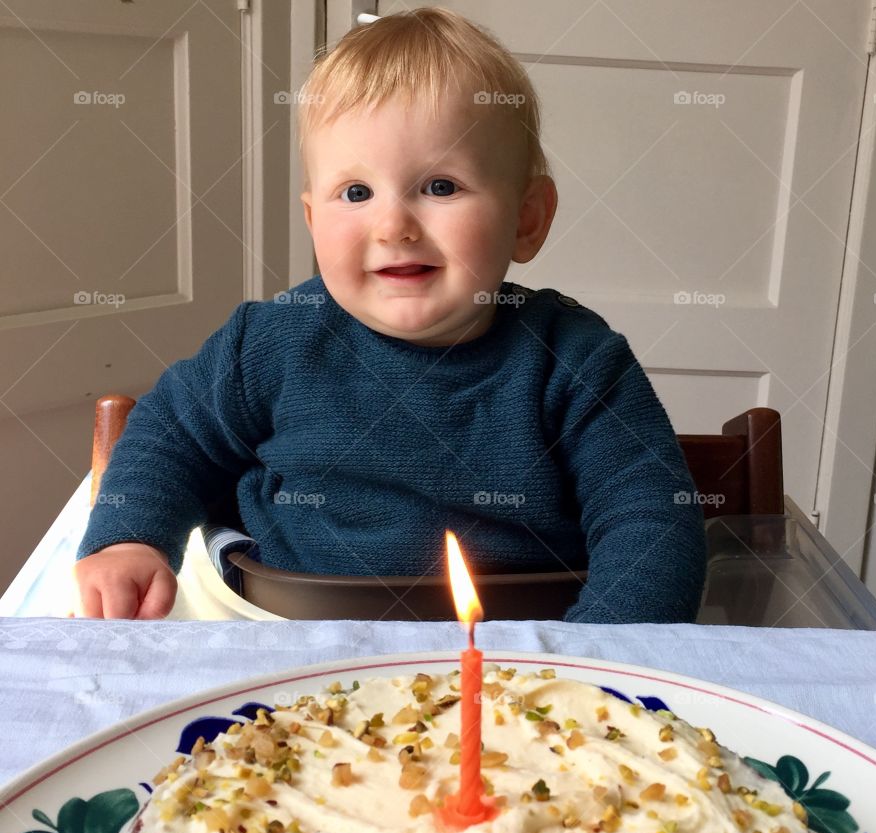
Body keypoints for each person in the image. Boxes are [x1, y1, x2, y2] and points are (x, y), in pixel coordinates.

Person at [73, 7, 706, 622]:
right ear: (314, 220)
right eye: (356, 193)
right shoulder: (270, 341)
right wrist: (130, 539)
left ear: (528, 218)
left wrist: (592, 661)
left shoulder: (574, 359)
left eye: (440, 186)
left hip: (518, 652)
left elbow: (651, 521)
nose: (393, 225)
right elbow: (170, 437)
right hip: (282, 637)